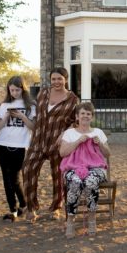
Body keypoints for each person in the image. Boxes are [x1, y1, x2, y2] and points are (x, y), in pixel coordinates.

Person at [22, 67, 79, 222]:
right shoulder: (43, 93)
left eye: (59, 79)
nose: (56, 82)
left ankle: (56, 207)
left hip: (58, 143)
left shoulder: (73, 99)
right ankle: (31, 208)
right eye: (53, 79)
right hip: (38, 140)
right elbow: (35, 111)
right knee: (28, 169)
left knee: (58, 176)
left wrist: (64, 133)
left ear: (65, 79)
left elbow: (76, 122)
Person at [60, 102, 111, 238]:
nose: (85, 116)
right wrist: (77, 142)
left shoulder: (98, 132)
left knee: (90, 181)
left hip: (96, 167)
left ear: (92, 117)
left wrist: (99, 143)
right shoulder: (69, 133)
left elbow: (107, 154)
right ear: (77, 116)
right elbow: (62, 153)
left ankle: (92, 219)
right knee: (75, 182)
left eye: (88, 114)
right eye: (82, 113)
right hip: (73, 167)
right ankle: (70, 221)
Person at [0, 76, 36, 222]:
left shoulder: (30, 105)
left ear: (22, 89)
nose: (14, 93)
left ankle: (24, 204)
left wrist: (22, 116)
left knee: (15, 178)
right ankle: (12, 209)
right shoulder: (4, 105)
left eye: (17, 90)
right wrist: (6, 116)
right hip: (2, 144)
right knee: (6, 178)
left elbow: (34, 127)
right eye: (11, 90)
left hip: (20, 145)